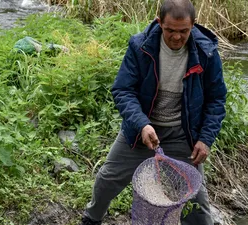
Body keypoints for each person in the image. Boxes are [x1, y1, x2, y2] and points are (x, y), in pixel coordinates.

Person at [81, 0, 227, 224]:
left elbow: (216, 99)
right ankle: (91, 220)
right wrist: (141, 124)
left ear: (193, 26)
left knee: (196, 201)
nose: (177, 37)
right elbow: (123, 89)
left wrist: (205, 139)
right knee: (107, 179)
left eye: (183, 32)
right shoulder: (140, 47)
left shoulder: (206, 53)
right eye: (170, 30)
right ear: (160, 23)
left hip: (182, 135)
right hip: (142, 132)